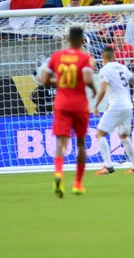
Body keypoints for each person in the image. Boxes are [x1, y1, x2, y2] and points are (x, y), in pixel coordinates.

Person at [42, 27, 97, 196]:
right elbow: (87, 79)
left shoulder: (56, 56)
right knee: (81, 144)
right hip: (79, 104)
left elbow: (44, 80)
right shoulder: (86, 58)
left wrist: (60, 79)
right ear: (82, 41)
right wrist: (93, 89)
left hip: (61, 103)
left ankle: (58, 172)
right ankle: (78, 183)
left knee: (61, 144)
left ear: (67, 40)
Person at [93, 46, 134, 175]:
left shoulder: (104, 70)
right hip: (128, 107)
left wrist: (96, 105)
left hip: (117, 106)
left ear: (103, 58)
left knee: (100, 134)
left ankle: (108, 166)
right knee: (124, 136)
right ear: (114, 57)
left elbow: (103, 89)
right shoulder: (123, 68)